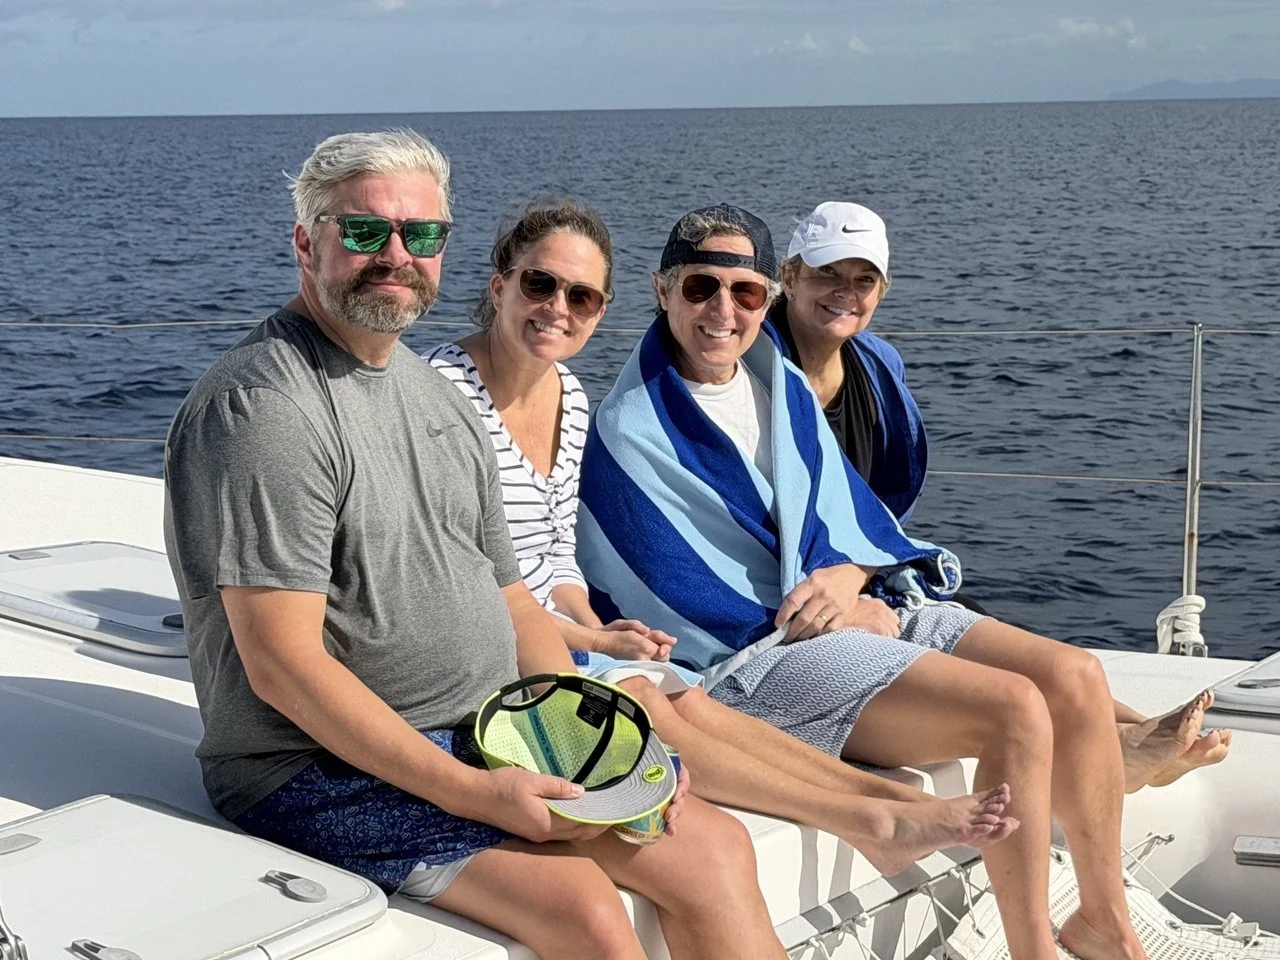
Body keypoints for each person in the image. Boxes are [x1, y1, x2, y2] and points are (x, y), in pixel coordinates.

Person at [163, 131, 790, 960]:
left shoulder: (440, 400)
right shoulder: (267, 409)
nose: (396, 255)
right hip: (310, 769)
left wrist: (603, 740)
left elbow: (511, 599)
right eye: (364, 232)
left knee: (716, 848)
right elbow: (283, 668)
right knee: (583, 907)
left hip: (474, 728)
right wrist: (477, 795)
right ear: (305, 241)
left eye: (421, 236)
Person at [577, 203, 1152, 960]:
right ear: (662, 291)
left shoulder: (773, 380)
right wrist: (837, 613)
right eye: (699, 288)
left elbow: (853, 520)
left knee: (1074, 675)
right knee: (1014, 707)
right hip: (753, 661)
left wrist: (850, 580)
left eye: (744, 293)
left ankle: (1102, 920)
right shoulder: (631, 429)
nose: (723, 310)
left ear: (766, 298)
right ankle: (1034, 948)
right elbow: (688, 606)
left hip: (845, 602)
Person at [425, 198, 1019, 876]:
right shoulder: (441, 398)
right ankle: (868, 817)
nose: (559, 306)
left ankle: (881, 803)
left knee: (685, 697)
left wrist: (598, 627)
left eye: (582, 296)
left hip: (557, 630)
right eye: (541, 284)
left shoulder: (569, 395)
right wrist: (592, 641)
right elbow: (465, 574)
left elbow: (557, 556)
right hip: (490, 640)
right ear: (499, 285)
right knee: (652, 697)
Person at [771, 200, 1231, 791]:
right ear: (789, 276)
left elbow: (879, 507)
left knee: (1076, 670)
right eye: (826, 273)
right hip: (807, 598)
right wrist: (849, 590)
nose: (845, 292)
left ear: (883, 290)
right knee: (1006, 697)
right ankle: (1123, 749)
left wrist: (861, 573)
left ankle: (1141, 734)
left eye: (864, 280)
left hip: (871, 575)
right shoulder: (756, 375)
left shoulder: (877, 366)